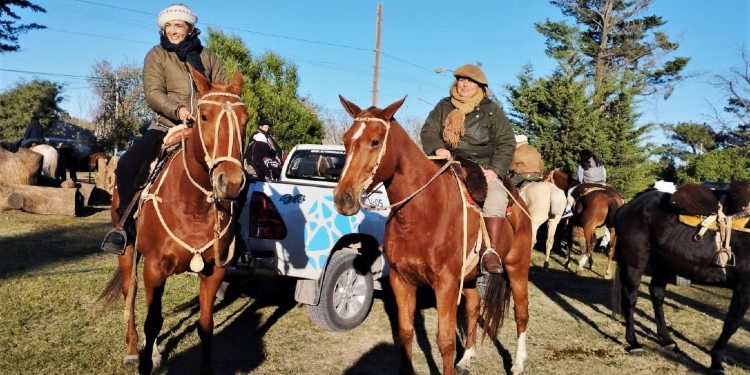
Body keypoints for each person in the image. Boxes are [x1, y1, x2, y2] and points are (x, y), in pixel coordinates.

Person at [101, 3, 227, 254]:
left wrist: (207, 113)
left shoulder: (208, 57)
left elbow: (220, 90)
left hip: (204, 129)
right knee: (126, 166)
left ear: (190, 28)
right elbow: (153, 93)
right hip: (165, 125)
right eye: (167, 26)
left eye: (178, 25)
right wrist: (179, 110)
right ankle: (124, 229)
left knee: (236, 174)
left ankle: (233, 235)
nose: (172, 30)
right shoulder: (157, 55)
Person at [420, 64, 515, 274]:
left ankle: (490, 250)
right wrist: (437, 148)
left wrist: (495, 169)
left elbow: (506, 142)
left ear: (480, 86)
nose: (464, 84)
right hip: (448, 162)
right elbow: (429, 130)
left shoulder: (492, 110)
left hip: (482, 166)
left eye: (470, 81)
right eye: (461, 80)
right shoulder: (443, 106)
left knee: (497, 196)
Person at [562, 149, 607, 218]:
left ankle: (568, 210)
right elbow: (604, 175)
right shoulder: (600, 163)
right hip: (602, 184)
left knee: (571, 191)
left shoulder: (582, 165)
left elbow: (580, 179)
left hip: (588, 184)